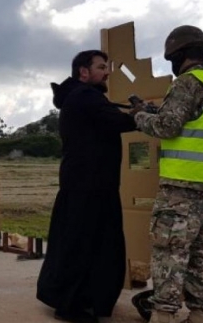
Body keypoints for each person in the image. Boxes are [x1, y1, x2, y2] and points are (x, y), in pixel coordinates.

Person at [132, 26, 203, 323]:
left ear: (179, 55)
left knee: (169, 251)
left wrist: (139, 116)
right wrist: (157, 111)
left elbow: (167, 128)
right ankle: (200, 313)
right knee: (199, 254)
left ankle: (163, 315)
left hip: (181, 188)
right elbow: (191, 126)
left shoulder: (186, 85)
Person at [36, 50, 138, 323]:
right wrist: (143, 115)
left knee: (83, 244)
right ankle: (69, 306)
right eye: (102, 67)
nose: (107, 72)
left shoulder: (79, 97)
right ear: (83, 72)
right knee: (83, 245)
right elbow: (117, 120)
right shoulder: (85, 96)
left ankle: (81, 299)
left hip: (88, 184)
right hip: (89, 186)